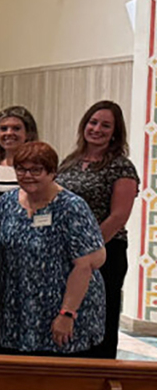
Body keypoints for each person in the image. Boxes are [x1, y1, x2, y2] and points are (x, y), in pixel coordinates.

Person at [0, 142, 106, 356]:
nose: (28, 175)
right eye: (22, 169)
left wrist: (67, 314)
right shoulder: (7, 202)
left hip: (63, 310)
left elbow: (86, 264)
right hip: (19, 310)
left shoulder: (72, 207)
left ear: (52, 172)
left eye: (36, 170)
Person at [55, 101, 138, 359]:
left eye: (105, 125)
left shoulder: (121, 166)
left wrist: (89, 248)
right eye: (93, 122)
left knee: (99, 317)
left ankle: (97, 376)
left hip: (105, 252)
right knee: (69, 315)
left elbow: (119, 216)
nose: (97, 129)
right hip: (67, 253)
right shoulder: (70, 162)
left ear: (115, 132)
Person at [0, 106, 39, 205]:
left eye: (16, 128)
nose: (9, 133)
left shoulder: (38, 171)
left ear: (28, 133)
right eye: (3, 129)